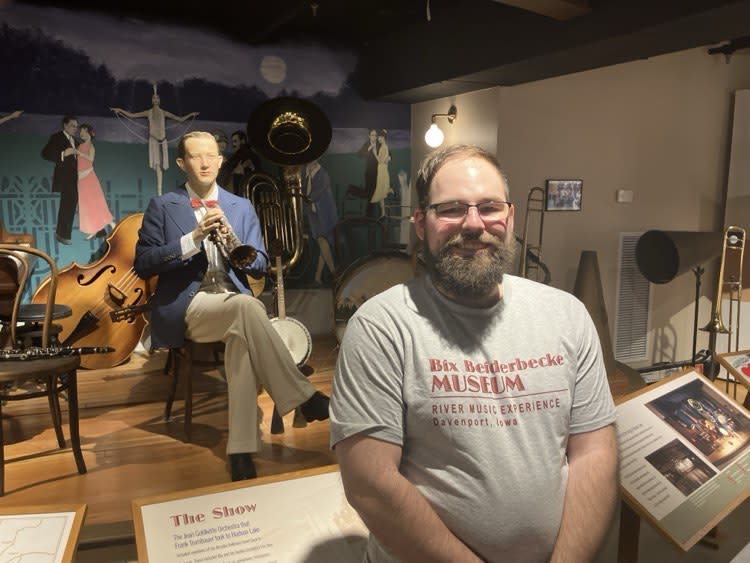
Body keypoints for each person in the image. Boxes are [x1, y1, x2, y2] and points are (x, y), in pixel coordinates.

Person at [330, 144, 618, 562]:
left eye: (489, 207)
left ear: (510, 217)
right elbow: (370, 485)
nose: (473, 224)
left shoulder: (567, 316)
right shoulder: (381, 327)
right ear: (420, 223)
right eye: (450, 209)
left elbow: (594, 454)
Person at [134, 131, 329, 482]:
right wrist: (191, 240)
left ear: (221, 161)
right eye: (196, 156)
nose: (206, 162)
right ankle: (302, 396)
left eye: (212, 155)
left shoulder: (241, 206)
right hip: (189, 306)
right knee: (247, 309)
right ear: (182, 163)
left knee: (241, 334)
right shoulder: (163, 206)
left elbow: (259, 266)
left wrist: (236, 246)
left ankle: (240, 451)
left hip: (234, 303)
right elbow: (144, 263)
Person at [110, 86, 199, 196]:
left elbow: (179, 119)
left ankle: (161, 190)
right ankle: (159, 190)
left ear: (159, 100)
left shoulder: (163, 112)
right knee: (157, 165)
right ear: (152, 100)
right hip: (154, 141)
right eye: (154, 98)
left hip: (163, 141)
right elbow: (133, 115)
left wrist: (191, 115)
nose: (155, 100)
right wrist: (120, 111)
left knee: (162, 165)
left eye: (157, 98)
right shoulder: (149, 112)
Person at [41, 115, 79, 245]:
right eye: (72, 126)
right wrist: (63, 154)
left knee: (73, 204)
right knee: (67, 205)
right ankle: (62, 235)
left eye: (76, 126)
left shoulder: (76, 141)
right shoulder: (57, 137)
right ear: (65, 125)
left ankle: (64, 234)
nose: (75, 129)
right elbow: (45, 154)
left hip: (77, 178)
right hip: (65, 178)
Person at [76, 124, 115, 240]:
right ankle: (93, 229)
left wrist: (79, 153)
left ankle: (111, 223)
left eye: (83, 131)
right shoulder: (80, 146)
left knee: (96, 202)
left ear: (88, 133)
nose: (81, 134)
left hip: (89, 176)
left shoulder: (90, 146)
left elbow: (90, 159)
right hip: (81, 177)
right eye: (81, 132)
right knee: (85, 204)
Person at [303, 159, 338, 286]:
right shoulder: (305, 173)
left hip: (325, 214)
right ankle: (319, 277)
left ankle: (332, 274)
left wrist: (301, 197)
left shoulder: (322, 174)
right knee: (324, 244)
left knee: (323, 242)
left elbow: (314, 194)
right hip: (314, 214)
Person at [370, 129, 392, 217]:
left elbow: (381, 161)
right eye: (378, 137)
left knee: (381, 191)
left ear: (383, 138)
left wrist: (374, 153)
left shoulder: (385, 147)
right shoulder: (383, 147)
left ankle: (388, 190)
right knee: (381, 193)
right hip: (381, 170)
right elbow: (383, 160)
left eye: (380, 137)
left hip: (382, 170)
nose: (378, 139)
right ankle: (383, 213)